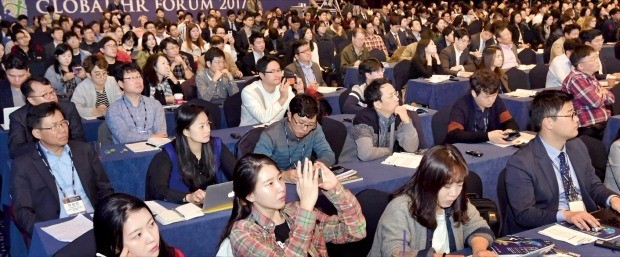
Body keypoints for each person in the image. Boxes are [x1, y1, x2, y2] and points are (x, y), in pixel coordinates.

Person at [504, 90, 620, 234]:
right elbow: (524, 214)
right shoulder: (521, 163)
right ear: (548, 122)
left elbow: (593, 185)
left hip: (585, 222)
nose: (577, 119)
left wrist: (613, 199)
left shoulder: (577, 146)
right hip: (547, 229)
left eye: (575, 113)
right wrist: (566, 215)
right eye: (571, 114)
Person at [220, 154, 366, 256]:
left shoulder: (295, 211)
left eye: (279, 178)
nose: (280, 187)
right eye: (270, 184)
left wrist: (335, 188)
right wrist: (306, 209)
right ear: (250, 195)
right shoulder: (243, 233)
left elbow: (356, 231)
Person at [369, 144, 496, 257]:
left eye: (459, 184)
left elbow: (478, 227)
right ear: (429, 182)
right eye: (447, 186)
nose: (454, 193)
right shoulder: (401, 208)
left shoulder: (458, 199)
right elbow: (395, 251)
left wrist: (479, 250)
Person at [12, 102, 113, 237]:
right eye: (54, 126)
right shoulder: (24, 165)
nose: (62, 129)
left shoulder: (84, 150)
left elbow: (105, 189)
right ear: (37, 133)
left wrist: (106, 218)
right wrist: (45, 233)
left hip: (93, 221)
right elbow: (22, 211)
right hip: (55, 228)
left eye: (63, 123)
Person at [146, 104, 236, 204]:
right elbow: (158, 190)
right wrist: (188, 197)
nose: (208, 129)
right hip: (180, 207)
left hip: (212, 203)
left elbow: (238, 172)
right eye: (201, 126)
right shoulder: (168, 154)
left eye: (208, 123)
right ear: (186, 131)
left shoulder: (216, 145)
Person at [254, 94, 335, 183]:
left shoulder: (315, 129)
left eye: (310, 124)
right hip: (276, 182)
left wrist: (319, 164)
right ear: (289, 115)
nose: (305, 129)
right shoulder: (271, 134)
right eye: (300, 122)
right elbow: (258, 167)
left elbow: (328, 153)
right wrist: (283, 175)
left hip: (304, 181)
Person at [343, 78, 425, 162]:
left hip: (379, 163)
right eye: (390, 96)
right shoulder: (364, 118)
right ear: (377, 104)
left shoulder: (396, 115)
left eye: (395, 94)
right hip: (353, 166)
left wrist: (407, 121)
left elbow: (411, 148)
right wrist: (388, 150)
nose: (397, 99)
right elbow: (365, 154)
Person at [8, 77, 85, 158]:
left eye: (52, 91)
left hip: (66, 155)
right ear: (32, 100)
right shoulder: (18, 117)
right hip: (36, 160)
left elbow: (79, 138)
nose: (52, 97)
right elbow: (16, 150)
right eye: (45, 95)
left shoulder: (68, 108)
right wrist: (48, 147)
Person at [94, 193, 184, 257]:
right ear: (115, 246)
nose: (152, 238)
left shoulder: (175, 254)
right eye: (138, 234)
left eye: (151, 224)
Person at [446, 69, 519, 144]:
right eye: (487, 97)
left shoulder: (496, 100)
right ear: (474, 93)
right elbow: (453, 135)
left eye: (494, 95)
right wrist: (487, 136)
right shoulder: (461, 105)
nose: (491, 100)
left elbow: (509, 121)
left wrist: (510, 130)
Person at [561, 45, 615, 139]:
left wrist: (600, 95)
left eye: (596, 58)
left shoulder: (590, 76)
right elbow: (595, 102)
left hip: (603, 124)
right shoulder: (576, 78)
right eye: (592, 60)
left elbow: (611, 99)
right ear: (581, 66)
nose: (597, 61)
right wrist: (601, 93)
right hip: (590, 128)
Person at [106, 62, 167, 144]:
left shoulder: (155, 105)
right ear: (121, 84)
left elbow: (161, 135)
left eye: (138, 76)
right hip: (128, 154)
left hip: (154, 152)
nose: (137, 81)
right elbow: (123, 137)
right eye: (131, 78)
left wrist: (152, 138)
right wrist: (151, 137)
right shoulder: (114, 109)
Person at [240, 56, 295, 126]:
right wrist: (282, 98)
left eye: (278, 70)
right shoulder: (249, 91)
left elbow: (296, 108)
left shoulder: (285, 88)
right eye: (272, 71)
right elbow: (263, 118)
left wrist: (300, 91)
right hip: (250, 132)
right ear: (262, 75)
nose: (277, 75)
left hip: (275, 131)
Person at [0, 53, 29, 124]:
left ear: (27, 71)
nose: (17, 80)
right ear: (5, 70)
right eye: (11, 76)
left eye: (21, 76)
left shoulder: (38, 86)